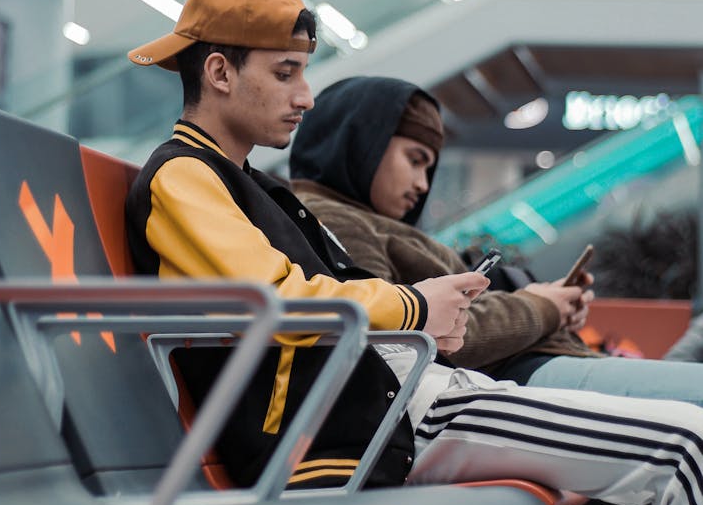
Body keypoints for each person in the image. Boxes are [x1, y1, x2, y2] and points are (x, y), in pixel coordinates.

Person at [126, 0, 703, 505]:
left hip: (396, 400)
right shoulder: (183, 177)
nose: (305, 96)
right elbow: (286, 304)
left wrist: (430, 322)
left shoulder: (250, 185)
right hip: (374, 422)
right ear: (219, 73)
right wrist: (416, 307)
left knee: (686, 442)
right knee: (682, 447)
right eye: (285, 72)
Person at [290, 75, 703, 411]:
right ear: (361, 142)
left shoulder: (365, 220)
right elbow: (407, 341)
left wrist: (550, 310)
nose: (421, 184)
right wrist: (541, 308)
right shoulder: (334, 219)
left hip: (523, 372)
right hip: (510, 379)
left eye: (429, 169)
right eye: (414, 159)